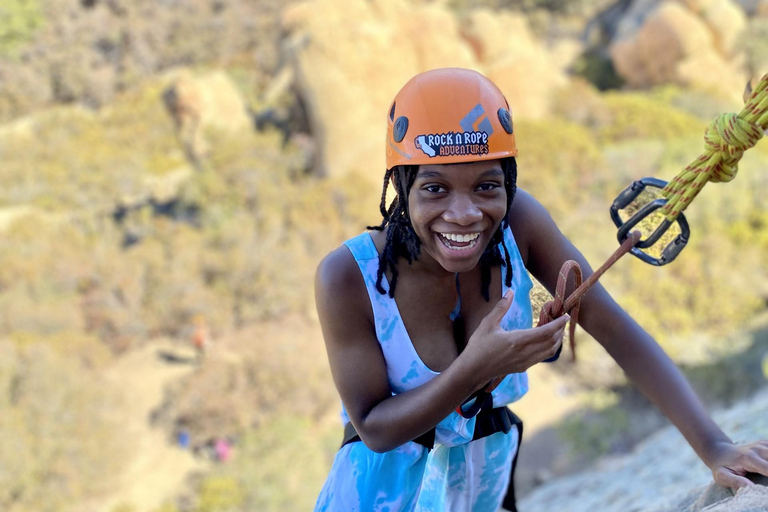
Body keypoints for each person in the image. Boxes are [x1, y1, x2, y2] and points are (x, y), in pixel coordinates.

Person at [312, 68, 768, 512]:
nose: (465, 212)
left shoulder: (518, 222)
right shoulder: (349, 276)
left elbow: (614, 329)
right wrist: (474, 370)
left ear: (509, 181)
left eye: (487, 185)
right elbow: (372, 428)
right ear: (399, 184)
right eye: (435, 188)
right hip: (380, 495)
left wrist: (715, 446)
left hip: (482, 485)